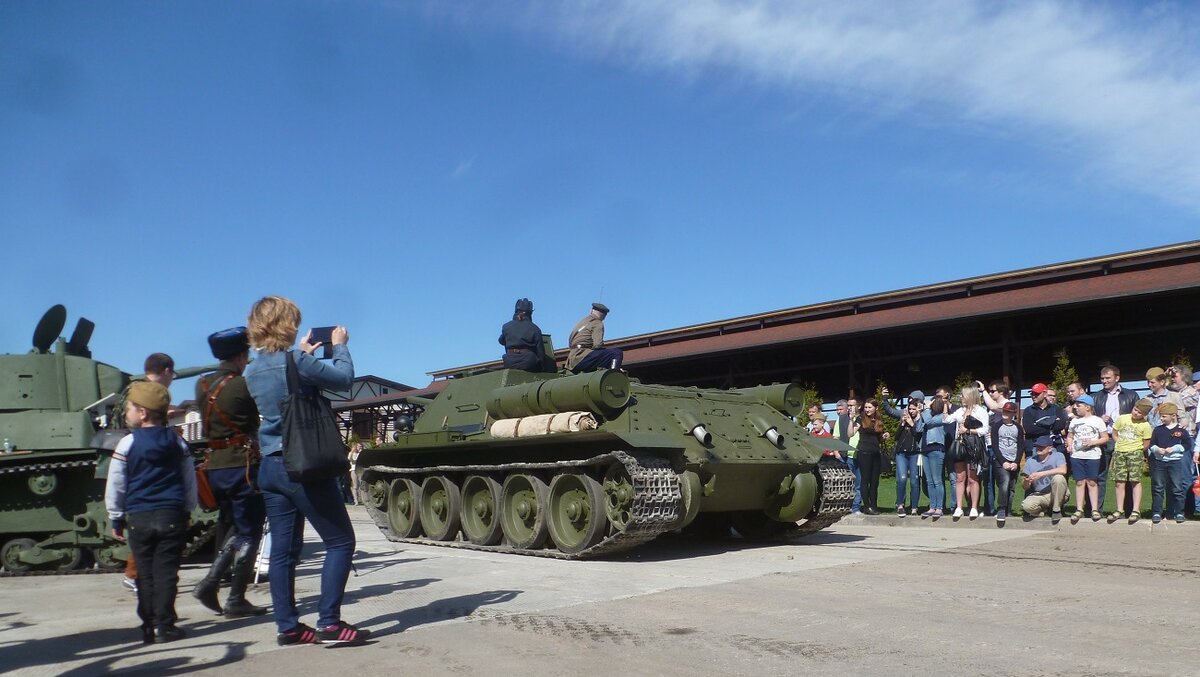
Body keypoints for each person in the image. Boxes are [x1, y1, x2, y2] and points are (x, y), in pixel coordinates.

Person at [243, 296, 369, 646]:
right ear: (288, 323)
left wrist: (303, 356)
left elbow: (284, 392)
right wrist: (340, 347)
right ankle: (329, 622)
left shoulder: (251, 369)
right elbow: (343, 379)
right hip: (303, 466)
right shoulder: (296, 361)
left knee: (283, 552)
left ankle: (289, 627)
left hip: (270, 465)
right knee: (341, 541)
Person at [104, 381, 197, 644]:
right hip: (171, 516)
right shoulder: (177, 443)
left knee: (145, 574)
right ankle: (166, 627)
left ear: (143, 413)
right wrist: (188, 509)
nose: (126, 413)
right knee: (167, 573)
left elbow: (117, 484)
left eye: (130, 408)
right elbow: (189, 480)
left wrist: (116, 516)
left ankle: (148, 626)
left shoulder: (126, 444)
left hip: (140, 518)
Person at [191, 327, 268, 618]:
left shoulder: (201, 385)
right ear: (240, 355)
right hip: (242, 466)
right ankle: (234, 596)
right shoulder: (240, 386)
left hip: (214, 466)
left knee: (233, 528)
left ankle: (213, 583)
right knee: (250, 532)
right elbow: (252, 422)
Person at [116, 353, 178, 593]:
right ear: (165, 370)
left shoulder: (141, 390)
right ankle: (134, 574)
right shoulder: (141, 391)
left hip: (141, 452)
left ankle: (141, 575)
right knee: (148, 522)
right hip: (138, 455)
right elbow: (131, 422)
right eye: (172, 373)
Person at [1092, 366, 1137, 514]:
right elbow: (1088, 418)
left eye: (1107, 378)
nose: (1104, 381)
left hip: (1125, 440)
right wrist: (1099, 419)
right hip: (1103, 439)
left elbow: (1139, 417)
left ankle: (1128, 511)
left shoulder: (1131, 395)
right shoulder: (1096, 397)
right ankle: (1096, 510)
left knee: (1126, 477)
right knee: (1099, 476)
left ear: (1117, 378)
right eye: (1102, 378)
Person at [945, 386, 989, 519]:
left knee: (973, 478)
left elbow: (985, 430)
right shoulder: (960, 411)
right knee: (960, 477)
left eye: (963, 396)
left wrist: (969, 431)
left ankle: (974, 507)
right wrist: (946, 405)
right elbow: (946, 420)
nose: (961, 398)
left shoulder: (980, 411)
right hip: (960, 446)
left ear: (970, 396)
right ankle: (959, 507)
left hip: (974, 446)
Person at [1148, 402, 1196, 524]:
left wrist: (1174, 448)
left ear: (1173, 415)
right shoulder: (1158, 430)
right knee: (1158, 488)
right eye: (1161, 416)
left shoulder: (1181, 431)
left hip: (1175, 462)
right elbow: (1152, 444)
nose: (1161, 418)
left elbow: (1187, 445)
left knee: (1177, 488)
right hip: (1160, 462)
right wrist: (1157, 450)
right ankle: (1157, 512)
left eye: (1164, 416)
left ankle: (1179, 512)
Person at [1065, 394, 1109, 524]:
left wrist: (1093, 442)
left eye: (1079, 405)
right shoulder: (1074, 421)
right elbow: (1070, 435)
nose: (1075, 408)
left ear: (1088, 407)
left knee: (1092, 482)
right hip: (1077, 455)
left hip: (1093, 455)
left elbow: (1105, 438)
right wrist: (1069, 445)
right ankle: (1079, 509)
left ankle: (1094, 509)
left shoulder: (1097, 421)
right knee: (1079, 482)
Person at [1109, 398, 1153, 523]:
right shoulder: (1122, 418)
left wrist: (1135, 449)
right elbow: (1115, 433)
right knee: (1119, 482)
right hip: (1120, 452)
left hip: (1135, 454)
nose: (1135, 413)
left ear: (1144, 414)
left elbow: (1146, 443)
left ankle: (1136, 510)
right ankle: (1119, 509)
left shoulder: (1145, 425)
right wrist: (1120, 444)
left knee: (1135, 481)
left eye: (1139, 413)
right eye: (1135, 410)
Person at [1020, 435, 1068, 523]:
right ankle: (1042, 511)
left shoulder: (1058, 456)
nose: (1039, 448)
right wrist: (1026, 482)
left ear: (1050, 449)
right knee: (1026, 506)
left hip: (1057, 493)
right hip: (1040, 494)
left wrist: (1041, 474)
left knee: (1059, 478)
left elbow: (1063, 470)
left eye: (1042, 447)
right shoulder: (1030, 461)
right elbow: (1025, 487)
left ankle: (1056, 510)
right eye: (1037, 446)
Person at [565, 303, 623, 373]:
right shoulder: (597, 323)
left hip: (572, 360)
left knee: (603, 355)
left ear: (591, 310)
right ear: (604, 315)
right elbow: (597, 345)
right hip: (582, 358)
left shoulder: (582, 322)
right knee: (616, 353)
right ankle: (614, 374)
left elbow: (570, 341)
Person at [990, 401, 1023, 524]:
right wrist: (1003, 461)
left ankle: (1009, 510)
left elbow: (1020, 446)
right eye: (1004, 410)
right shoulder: (997, 426)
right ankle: (1001, 508)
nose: (1005, 413)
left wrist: (1016, 462)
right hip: (1000, 460)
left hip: (1013, 459)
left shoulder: (1018, 427)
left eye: (1008, 412)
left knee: (1012, 487)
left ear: (1013, 414)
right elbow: (995, 445)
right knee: (1004, 482)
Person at [916, 397, 949, 518]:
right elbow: (919, 428)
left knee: (937, 480)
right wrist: (920, 413)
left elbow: (929, 422)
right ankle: (932, 507)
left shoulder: (941, 417)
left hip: (936, 449)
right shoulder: (926, 415)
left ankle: (939, 507)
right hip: (925, 450)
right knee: (929, 481)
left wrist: (926, 409)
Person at [854, 400, 887, 515]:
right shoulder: (861, 419)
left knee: (875, 481)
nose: (867, 409)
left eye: (869, 407)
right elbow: (851, 433)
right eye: (866, 407)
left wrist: (884, 436)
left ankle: (874, 505)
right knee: (865, 480)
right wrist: (851, 420)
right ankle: (867, 506)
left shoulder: (878, 420)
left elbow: (878, 438)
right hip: (864, 452)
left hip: (875, 452)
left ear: (876, 408)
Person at [498, 298, 550, 372]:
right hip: (529, 362)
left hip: (509, 362)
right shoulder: (535, 328)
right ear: (530, 313)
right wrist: (542, 367)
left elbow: (501, 341)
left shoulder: (506, 326)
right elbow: (540, 352)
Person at [894, 398, 924, 516]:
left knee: (914, 481)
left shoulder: (920, 420)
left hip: (914, 453)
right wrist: (902, 424)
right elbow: (896, 437)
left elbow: (918, 435)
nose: (911, 411)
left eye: (913, 409)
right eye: (909, 409)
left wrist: (912, 425)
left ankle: (914, 508)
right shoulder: (904, 420)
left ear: (918, 409)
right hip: (901, 453)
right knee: (901, 479)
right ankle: (900, 504)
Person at [1021, 383, 1068, 458]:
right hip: (1035, 448)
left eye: (1036, 394)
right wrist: (1051, 425)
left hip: (1055, 446)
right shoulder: (1028, 411)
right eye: (1032, 393)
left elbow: (1060, 425)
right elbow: (1030, 429)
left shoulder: (1056, 408)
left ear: (1045, 394)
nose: (1033, 396)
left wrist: (1038, 424)